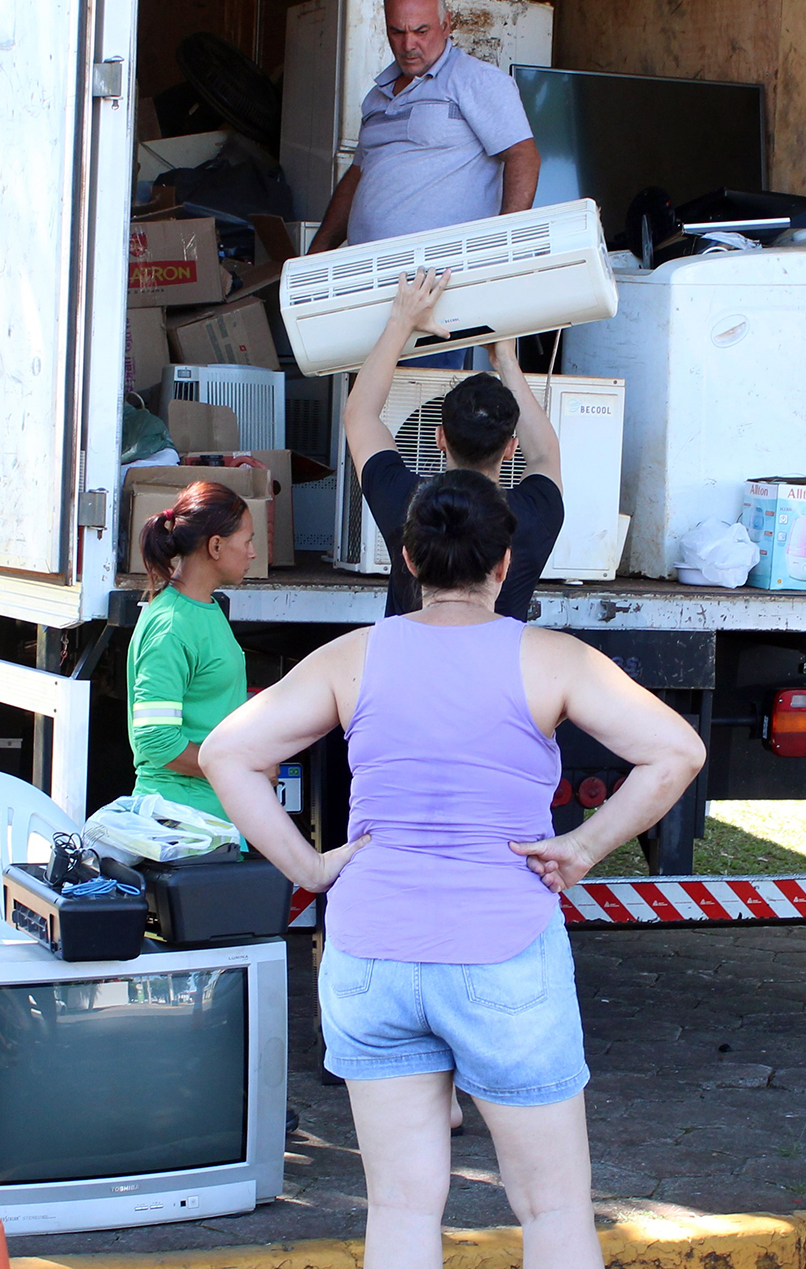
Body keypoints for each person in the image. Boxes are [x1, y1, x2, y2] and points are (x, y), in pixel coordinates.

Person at [201, 470, 704, 1269]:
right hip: (502, 953)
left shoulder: (350, 656)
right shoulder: (552, 657)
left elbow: (230, 750)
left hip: (371, 954)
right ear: (504, 562)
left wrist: (309, 865)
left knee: (400, 1209)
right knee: (552, 1210)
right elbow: (677, 750)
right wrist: (582, 847)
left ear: (408, 557)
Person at [346, 269, 562, 620]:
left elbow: (360, 415)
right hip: (496, 674)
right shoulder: (536, 513)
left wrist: (402, 322)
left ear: (439, 437)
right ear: (510, 448)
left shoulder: (407, 503)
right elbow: (544, 453)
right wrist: (505, 357)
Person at [308, 0, 539, 257]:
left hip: (442, 275)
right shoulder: (376, 96)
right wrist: (318, 251)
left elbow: (523, 155)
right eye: (397, 32)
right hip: (369, 268)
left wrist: (502, 245)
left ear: (445, 25)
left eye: (421, 31)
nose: (408, 46)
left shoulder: (476, 80)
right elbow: (359, 174)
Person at [124, 480, 259, 820]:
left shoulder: (205, 608)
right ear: (215, 546)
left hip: (209, 822)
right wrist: (239, 766)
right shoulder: (172, 626)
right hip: (182, 827)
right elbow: (156, 742)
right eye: (248, 541)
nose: (253, 553)